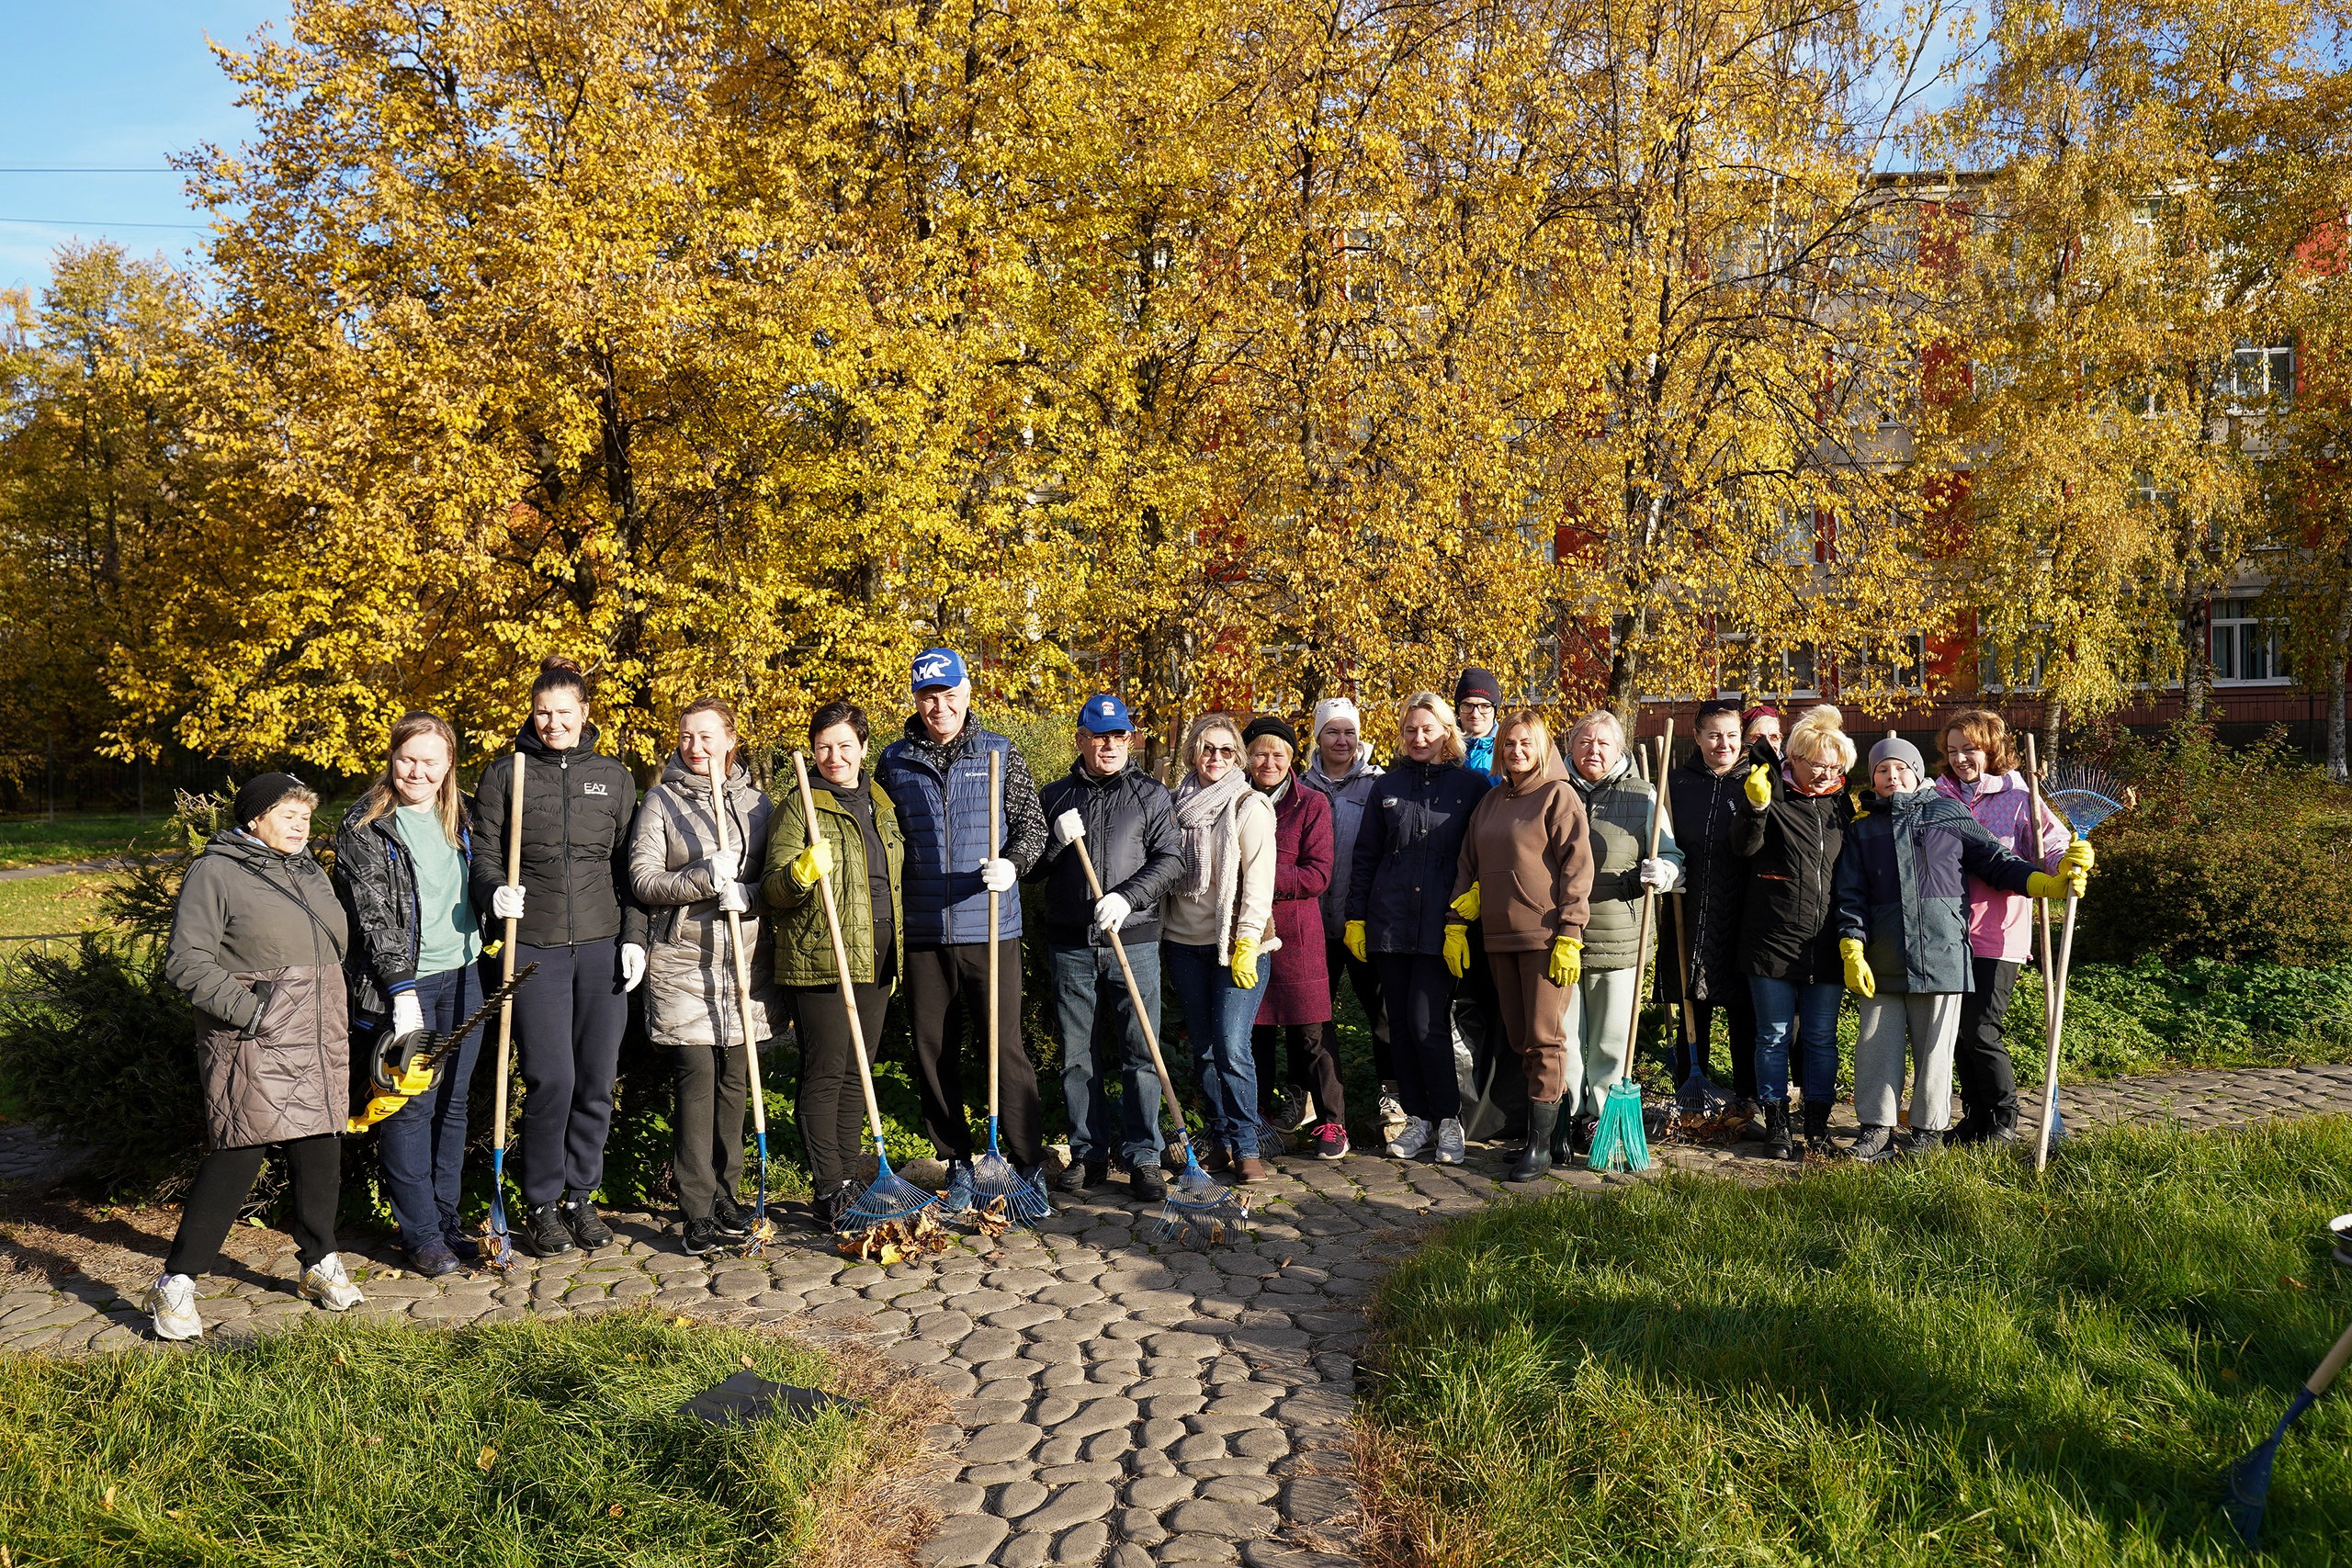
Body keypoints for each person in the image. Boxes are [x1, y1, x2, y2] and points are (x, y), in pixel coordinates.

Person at [147, 773, 365, 1339]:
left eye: (305, 814)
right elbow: (186, 962)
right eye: (286, 812)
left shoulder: (309, 870)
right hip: (255, 1037)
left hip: (319, 1033)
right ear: (252, 818)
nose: (300, 823)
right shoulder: (215, 871)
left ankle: (319, 1263)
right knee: (239, 1151)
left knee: (321, 1144)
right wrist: (253, 1012)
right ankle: (176, 1284)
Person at [1834, 736, 2093, 1159]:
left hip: (1941, 956)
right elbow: (1850, 896)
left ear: (1918, 774)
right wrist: (1852, 947)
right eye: (1882, 770)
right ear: (1873, 779)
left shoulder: (1948, 814)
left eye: (1901, 768)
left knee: (1935, 1051)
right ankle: (1876, 1130)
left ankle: (1927, 1133)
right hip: (1881, 958)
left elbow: (1995, 861)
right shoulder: (1862, 830)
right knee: (1876, 1047)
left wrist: (2048, 882)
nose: (1891, 776)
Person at [471, 654, 647, 1257]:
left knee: (597, 1078)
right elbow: (485, 854)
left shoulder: (615, 777)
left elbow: (631, 868)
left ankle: (582, 1196)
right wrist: (495, 891)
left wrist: (634, 937)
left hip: (601, 945)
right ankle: (542, 1201)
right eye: (543, 712)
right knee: (552, 1077)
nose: (552, 723)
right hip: (535, 948)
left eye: (563, 712)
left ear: (585, 713)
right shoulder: (506, 774)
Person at [875, 649, 1050, 1195]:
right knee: (933, 1051)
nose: (939, 705)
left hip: (992, 926)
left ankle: (1026, 1163)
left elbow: (1033, 828)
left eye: (949, 694)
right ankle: (956, 1162)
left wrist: (1013, 865)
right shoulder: (894, 762)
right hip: (925, 930)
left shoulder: (998, 752)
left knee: (1005, 1049)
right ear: (915, 698)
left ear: (968, 694)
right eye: (928, 695)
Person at [332, 712, 484, 1277]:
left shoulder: (462, 816)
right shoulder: (365, 827)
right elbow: (375, 920)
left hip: (465, 974)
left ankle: (447, 1221)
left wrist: (499, 902)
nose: (417, 772)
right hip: (406, 984)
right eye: (407, 759)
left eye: (430, 762)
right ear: (391, 758)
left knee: (454, 1102)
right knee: (410, 1105)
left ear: (448, 765)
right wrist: (400, 992)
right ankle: (419, 1233)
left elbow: (486, 873)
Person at [628, 697, 781, 1254]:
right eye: (687, 736)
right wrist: (699, 876)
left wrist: (752, 891)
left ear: (731, 739)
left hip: (744, 965)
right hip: (683, 965)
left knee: (735, 1081)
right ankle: (695, 1208)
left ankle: (727, 1194)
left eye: (707, 736)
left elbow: (774, 882)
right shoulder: (661, 801)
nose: (696, 747)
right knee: (696, 1081)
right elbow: (643, 880)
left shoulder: (758, 804)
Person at [1029, 693, 1184, 1203]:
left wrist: (1126, 897)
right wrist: (1054, 838)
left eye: (1120, 735)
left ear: (1130, 738)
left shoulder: (1151, 795)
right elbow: (1031, 867)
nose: (1111, 745)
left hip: (1133, 938)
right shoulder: (1054, 796)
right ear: (1080, 739)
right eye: (1100, 736)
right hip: (1071, 943)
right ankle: (1089, 1151)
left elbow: (1170, 861)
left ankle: (1143, 1154)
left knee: (1141, 1050)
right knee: (1078, 1055)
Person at [764, 700, 907, 1231]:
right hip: (822, 957)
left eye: (845, 745)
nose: (834, 756)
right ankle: (829, 1186)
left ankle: (852, 1178)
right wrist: (800, 873)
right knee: (825, 1073)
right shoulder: (801, 804)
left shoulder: (880, 802)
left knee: (857, 1072)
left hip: (878, 953)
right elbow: (772, 887)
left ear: (864, 747)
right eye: (824, 746)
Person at [1344, 693, 1492, 1164]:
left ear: (1447, 731)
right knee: (1398, 1028)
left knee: (1428, 1023)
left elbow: (1486, 852)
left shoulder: (1472, 786)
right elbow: (1365, 857)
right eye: (1411, 730)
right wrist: (1356, 917)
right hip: (1389, 923)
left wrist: (1472, 907)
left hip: (1441, 925)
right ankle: (1417, 1119)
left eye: (1428, 729)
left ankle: (1449, 1120)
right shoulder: (1386, 785)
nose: (1419, 737)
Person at [1449, 712, 1593, 1180]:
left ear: (1543, 747)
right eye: (1509, 743)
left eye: (1525, 743)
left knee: (1543, 1037)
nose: (1515, 751)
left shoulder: (1558, 796)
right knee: (1519, 1039)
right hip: (1497, 936)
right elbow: (1468, 862)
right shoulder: (1490, 801)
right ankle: (1559, 1129)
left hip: (1545, 937)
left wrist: (1570, 933)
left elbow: (1577, 869)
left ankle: (1539, 1146)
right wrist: (1459, 913)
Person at [1933, 710, 2070, 1146]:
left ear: (1990, 749)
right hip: (1948, 931)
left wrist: (2066, 864)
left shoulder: (2017, 794)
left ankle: (2004, 1119)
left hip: (1999, 930)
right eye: (1952, 751)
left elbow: (2051, 843)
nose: (1960, 759)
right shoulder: (1937, 795)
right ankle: (1974, 1117)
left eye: (1969, 750)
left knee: (1980, 1029)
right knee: (1956, 1033)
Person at [1734, 705, 1858, 1159]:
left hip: (1825, 942)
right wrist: (1756, 807)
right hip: (1771, 937)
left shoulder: (1843, 805)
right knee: (1773, 1035)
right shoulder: (1773, 792)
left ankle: (1818, 1125)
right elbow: (1743, 847)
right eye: (1817, 764)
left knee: (1822, 1037)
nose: (1825, 773)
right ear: (1796, 758)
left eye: (1834, 766)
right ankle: (1777, 1124)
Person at [1161, 712, 1279, 1179]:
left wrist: (1248, 940)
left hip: (1235, 947)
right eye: (1207, 748)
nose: (1215, 758)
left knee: (1232, 1047)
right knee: (1205, 1049)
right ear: (1193, 751)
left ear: (1239, 758)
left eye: (1226, 750)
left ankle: (1247, 1145)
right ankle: (1219, 1140)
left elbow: (1259, 883)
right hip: (1183, 944)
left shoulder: (1249, 806)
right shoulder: (1174, 804)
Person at [1559, 710, 1683, 1149]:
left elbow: (1672, 856)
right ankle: (1567, 1115)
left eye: (1603, 743)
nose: (1593, 750)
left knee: (1612, 1042)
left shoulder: (1644, 795)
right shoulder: (1552, 790)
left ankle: (1602, 1119)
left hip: (1620, 938)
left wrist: (1662, 872)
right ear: (1570, 746)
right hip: (1562, 937)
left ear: (1619, 749)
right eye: (1585, 741)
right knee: (1566, 1039)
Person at [1243, 715, 1347, 1158]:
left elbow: (1318, 874)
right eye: (1260, 752)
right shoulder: (1234, 799)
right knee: (1253, 1033)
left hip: (1298, 936)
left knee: (1312, 1033)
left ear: (1292, 759)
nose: (1269, 761)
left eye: (1279, 753)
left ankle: (1331, 1122)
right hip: (1245, 932)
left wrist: (1261, 876)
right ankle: (1260, 1118)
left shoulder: (1312, 804)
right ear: (1247, 757)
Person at [1302, 697, 1397, 1142]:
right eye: (1333, 732)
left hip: (1364, 923)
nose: (1342, 741)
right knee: (1312, 1017)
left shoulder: (1379, 786)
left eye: (1350, 732)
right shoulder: (1298, 785)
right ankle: (1313, 1103)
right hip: (1312, 926)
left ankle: (1392, 1099)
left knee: (1382, 1013)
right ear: (1317, 737)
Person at [1654, 698, 1757, 1109]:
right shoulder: (1675, 785)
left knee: (1743, 1013)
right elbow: (1661, 840)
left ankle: (1748, 1096)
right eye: (1713, 734)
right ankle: (1691, 1091)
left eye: (1732, 735)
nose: (1723, 744)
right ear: (1696, 737)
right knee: (1691, 1006)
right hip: (1688, 912)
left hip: (1741, 915)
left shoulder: (1754, 784)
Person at [1455, 669, 1504, 780]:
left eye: (1484, 706)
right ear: (1458, 708)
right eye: (1467, 705)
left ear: (1495, 710)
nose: (1475, 714)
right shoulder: (1441, 747)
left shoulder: (1512, 748)